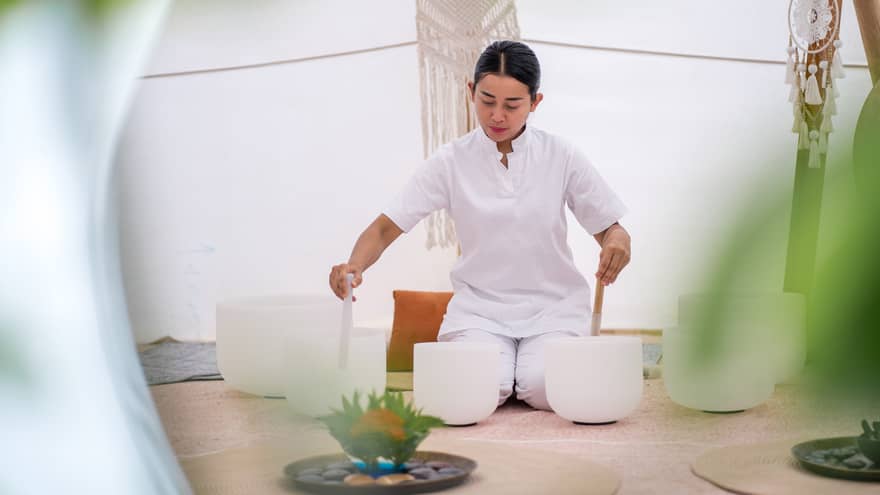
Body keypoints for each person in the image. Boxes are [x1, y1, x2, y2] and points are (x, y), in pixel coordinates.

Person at [329, 40, 631, 410]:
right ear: (471, 91)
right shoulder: (450, 161)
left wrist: (618, 244)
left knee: (543, 386)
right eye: (487, 101)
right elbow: (383, 228)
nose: (497, 116)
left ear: (535, 102)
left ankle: (525, 376)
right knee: (479, 388)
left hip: (554, 308)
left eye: (512, 105)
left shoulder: (561, 155)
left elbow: (611, 229)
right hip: (480, 312)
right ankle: (508, 376)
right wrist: (354, 265)